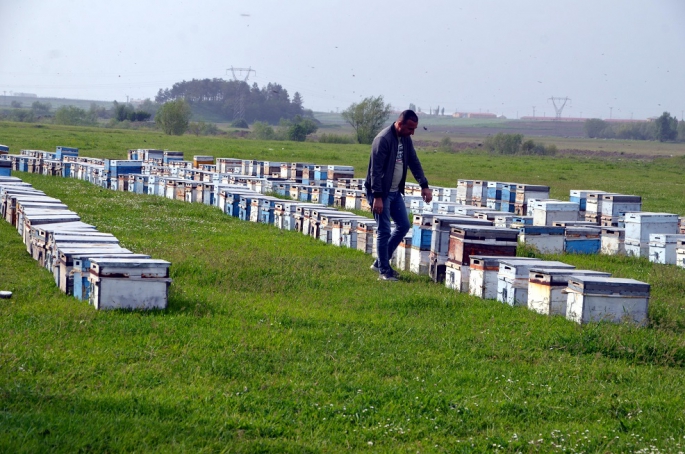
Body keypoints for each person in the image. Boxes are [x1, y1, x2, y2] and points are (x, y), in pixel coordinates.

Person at [364, 110, 432, 281]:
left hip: (395, 192)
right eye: (410, 128)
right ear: (400, 124)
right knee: (384, 230)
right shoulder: (383, 140)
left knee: (403, 225)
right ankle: (384, 272)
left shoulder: (406, 139)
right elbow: (375, 171)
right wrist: (378, 197)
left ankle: (380, 263)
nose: (413, 132)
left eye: (415, 129)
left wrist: (424, 185)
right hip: (381, 193)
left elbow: (414, 162)